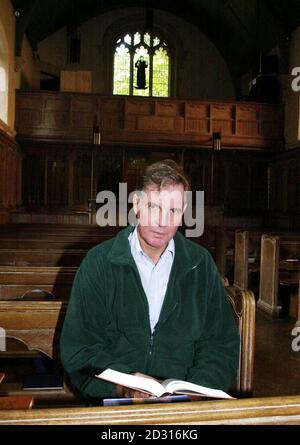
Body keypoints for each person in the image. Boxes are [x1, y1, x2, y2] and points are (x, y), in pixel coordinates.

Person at [60, 160, 240, 403]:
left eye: (173, 211)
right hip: (115, 404)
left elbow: (220, 344)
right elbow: (80, 349)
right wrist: (123, 386)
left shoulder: (200, 264)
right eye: (155, 207)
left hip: (186, 406)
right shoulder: (99, 263)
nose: (163, 222)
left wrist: (197, 390)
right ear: (137, 205)